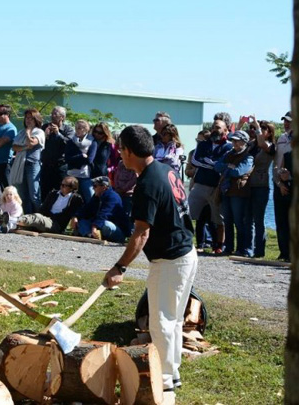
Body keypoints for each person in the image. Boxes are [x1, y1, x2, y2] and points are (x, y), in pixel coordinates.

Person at [103, 125, 197, 397]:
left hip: (171, 260)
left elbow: (141, 233)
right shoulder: (165, 169)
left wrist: (120, 267)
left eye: (121, 150)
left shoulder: (146, 183)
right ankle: (172, 371)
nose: (119, 155)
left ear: (129, 151)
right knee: (174, 318)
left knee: (162, 321)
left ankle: (165, 377)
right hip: (185, 253)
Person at [187, 118, 232, 252]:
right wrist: (213, 164)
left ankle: (218, 246)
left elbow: (222, 166)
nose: (214, 129)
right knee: (186, 213)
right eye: (213, 126)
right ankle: (185, 242)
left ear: (225, 130)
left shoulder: (229, 147)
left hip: (216, 187)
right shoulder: (203, 144)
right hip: (200, 184)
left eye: (218, 127)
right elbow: (195, 161)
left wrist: (209, 163)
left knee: (218, 219)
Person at [214, 130, 254, 256]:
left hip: (239, 192)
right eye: (233, 140)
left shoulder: (249, 157)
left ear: (244, 142)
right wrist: (229, 166)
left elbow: (238, 172)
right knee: (227, 221)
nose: (234, 143)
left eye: (237, 141)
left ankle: (241, 248)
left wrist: (228, 167)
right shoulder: (228, 154)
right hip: (226, 191)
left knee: (239, 221)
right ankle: (228, 247)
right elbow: (217, 166)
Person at [246, 120, 275, 259]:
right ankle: (248, 249)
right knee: (248, 219)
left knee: (259, 219)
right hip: (248, 185)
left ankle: (259, 251)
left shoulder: (269, 146)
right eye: (258, 128)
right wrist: (240, 126)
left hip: (261, 186)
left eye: (264, 129)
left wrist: (257, 127)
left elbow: (263, 144)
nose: (259, 130)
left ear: (269, 133)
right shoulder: (252, 145)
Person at [17, 176, 85, 234]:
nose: (61, 187)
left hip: (56, 224)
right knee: (31, 222)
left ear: (71, 188)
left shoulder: (75, 198)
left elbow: (79, 211)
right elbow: (43, 208)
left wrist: (75, 217)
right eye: (61, 184)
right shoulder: (53, 194)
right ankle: (12, 222)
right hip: (46, 218)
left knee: (37, 218)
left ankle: (14, 220)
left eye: (64, 185)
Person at [73, 176, 129, 242]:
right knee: (82, 221)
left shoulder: (113, 197)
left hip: (118, 229)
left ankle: (96, 236)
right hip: (99, 226)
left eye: (95, 186)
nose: (93, 188)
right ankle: (90, 236)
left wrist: (94, 226)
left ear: (104, 187)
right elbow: (86, 209)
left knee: (106, 224)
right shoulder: (97, 196)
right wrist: (76, 216)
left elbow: (104, 214)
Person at [10, 108, 46, 213]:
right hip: (20, 164)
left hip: (33, 164)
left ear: (36, 120)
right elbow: (14, 147)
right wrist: (25, 147)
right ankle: (27, 218)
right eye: (27, 118)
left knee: (34, 195)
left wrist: (29, 132)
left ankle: (40, 216)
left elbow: (31, 143)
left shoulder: (39, 132)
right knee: (23, 195)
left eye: (31, 118)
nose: (28, 120)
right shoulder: (21, 132)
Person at [40, 106, 75, 200]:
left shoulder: (69, 130)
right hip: (46, 166)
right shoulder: (45, 127)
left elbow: (68, 144)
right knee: (45, 192)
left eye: (56, 114)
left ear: (62, 117)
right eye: (52, 113)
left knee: (60, 192)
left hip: (60, 166)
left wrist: (58, 134)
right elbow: (39, 142)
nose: (52, 115)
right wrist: (45, 135)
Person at [273, 111, 293, 261]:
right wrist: (279, 183)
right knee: (280, 220)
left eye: (290, 121)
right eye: (285, 121)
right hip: (279, 183)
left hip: (294, 184)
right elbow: (276, 164)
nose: (286, 124)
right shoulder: (281, 138)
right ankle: (283, 252)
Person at [66, 119, 97, 202]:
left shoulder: (92, 142)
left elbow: (89, 160)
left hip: (85, 175)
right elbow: (67, 159)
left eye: (80, 128)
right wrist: (81, 156)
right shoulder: (71, 142)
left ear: (86, 129)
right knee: (68, 198)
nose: (77, 130)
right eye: (76, 127)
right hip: (71, 174)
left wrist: (75, 158)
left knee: (89, 197)